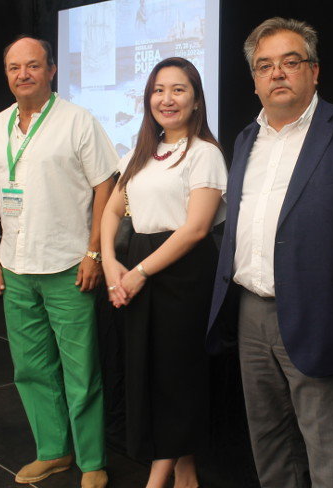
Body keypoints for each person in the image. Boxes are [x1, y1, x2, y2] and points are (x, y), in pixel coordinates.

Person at [206, 17, 333, 488]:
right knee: (270, 444)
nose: (277, 73)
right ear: (254, 79)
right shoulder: (247, 139)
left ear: (315, 70)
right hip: (250, 314)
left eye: (291, 61)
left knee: (331, 453)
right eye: (265, 66)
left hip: (325, 315)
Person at [0, 36, 117, 488]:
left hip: (69, 266)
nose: (23, 74)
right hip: (15, 266)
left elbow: (105, 188)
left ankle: (92, 461)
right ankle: (53, 452)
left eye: (32, 65)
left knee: (80, 371)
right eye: (14, 67)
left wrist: (94, 252)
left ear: (51, 70)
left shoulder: (78, 121)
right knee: (30, 368)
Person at [101, 57, 226, 488]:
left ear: (195, 100)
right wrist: (110, 261)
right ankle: (187, 475)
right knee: (150, 374)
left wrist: (137, 273)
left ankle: (156, 480)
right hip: (138, 265)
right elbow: (112, 210)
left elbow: (195, 229)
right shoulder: (139, 153)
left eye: (178, 89)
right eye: (158, 90)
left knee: (177, 377)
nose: (166, 99)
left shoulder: (205, 153)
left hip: (183, 275)